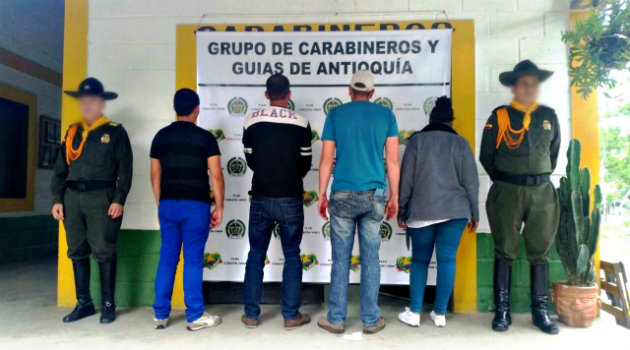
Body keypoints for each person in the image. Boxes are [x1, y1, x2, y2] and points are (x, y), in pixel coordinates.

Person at [480, 60, 561, 335]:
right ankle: (502, 310)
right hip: (507, 191)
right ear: (514, 87)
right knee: (505, 249)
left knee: (540, 252)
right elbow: (486, 156)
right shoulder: (500, 117)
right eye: (525, 83)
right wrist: (507, 180)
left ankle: (540, 312)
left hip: (542, 193)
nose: (530, 88)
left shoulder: (549, 116)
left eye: (534, 84)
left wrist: (535, 177)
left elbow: (553, 154)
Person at [317, 70, 399, 335]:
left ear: (350, 90)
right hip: (374, 194)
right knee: (371, 259)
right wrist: (394, 195)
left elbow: (327, 160)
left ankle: (336, 319)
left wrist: (321, 194)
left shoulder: (336, 115)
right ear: (372, 93)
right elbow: (393, 161)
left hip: (341, 194)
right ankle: (371, 319)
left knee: (341, 259)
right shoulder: (386, 115)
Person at [51, 77, 133, 324]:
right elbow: (60, 169)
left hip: (102, 198)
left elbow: (125, 170)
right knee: (76, 251)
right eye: (83, 101)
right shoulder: (72, 132)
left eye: (92, 100)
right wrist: (57, 198)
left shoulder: (115, 131)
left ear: (101, 103)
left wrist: (119, 199)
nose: (87, 105)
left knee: (104, 250)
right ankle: (84, 303)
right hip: (72, 198)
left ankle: (108, 304)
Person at [396, 96, 479, 328]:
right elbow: (472, 183)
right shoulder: (461, 143)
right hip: (456, 210)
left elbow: (407, 181)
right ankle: (440, 314)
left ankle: (414, 313)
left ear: (430, 118)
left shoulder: (417, 141)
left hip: (422, 209)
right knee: (447, 260)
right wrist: (475, 214)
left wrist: (402, 210)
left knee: (420, 260)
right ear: (451, 122)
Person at [241, 74, 312, 329]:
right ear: (289, 94)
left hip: (260, 196)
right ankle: (291, 316)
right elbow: (306, 164)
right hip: (290, 197)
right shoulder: (302, 122)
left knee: (256, 254)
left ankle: (251, 315)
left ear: (266, 94)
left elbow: (250, 160)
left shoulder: (251, 121)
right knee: (292, 255)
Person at [150, 88, 224, 331]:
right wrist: (220, 206)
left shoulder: (160, 137)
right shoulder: (205, 138)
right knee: (192, 260)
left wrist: (161, 204)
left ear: (175, 109)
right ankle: (194, 316)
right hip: (196, 205)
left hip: (168, 204)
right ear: (196, 110)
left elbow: (155, 174)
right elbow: (215, 175)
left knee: (167, 258)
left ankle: (160, 315)